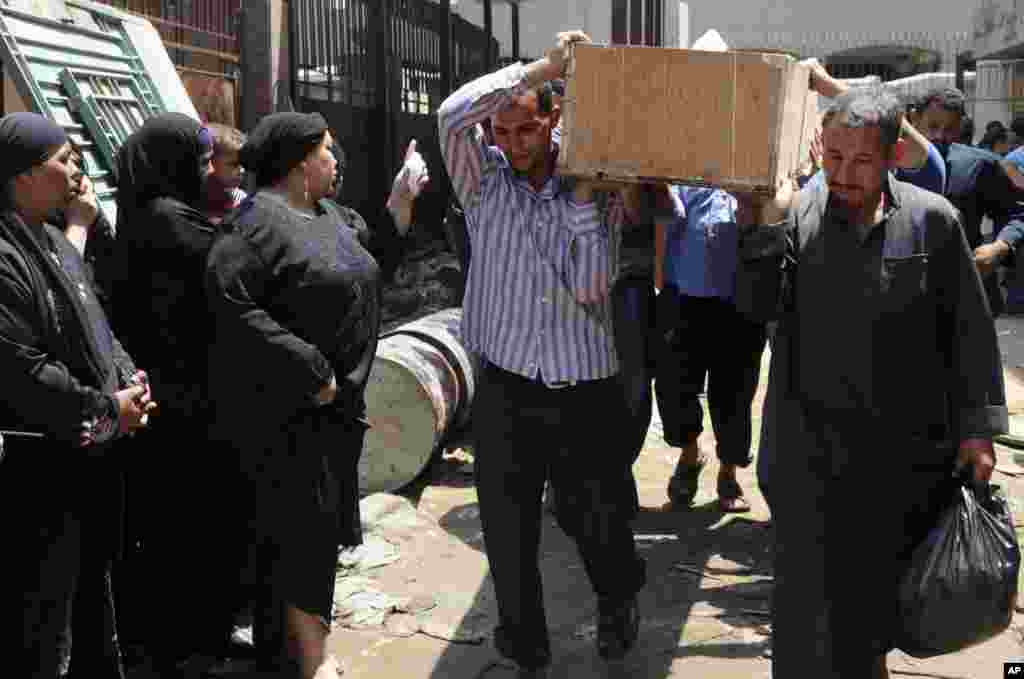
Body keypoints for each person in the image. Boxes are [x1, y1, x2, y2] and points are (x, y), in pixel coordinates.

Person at [737, 86, 1007, 679]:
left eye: (860, 160)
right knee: (803, 621)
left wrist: (979, 431)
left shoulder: (933, 223)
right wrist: (763, 221)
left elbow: (969, 333)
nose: (843, 174)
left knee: (868, 622)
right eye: (833, 158)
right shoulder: (800, 218)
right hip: (807, 460)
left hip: (901, 460)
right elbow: (756, 306)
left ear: (890, 157)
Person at [438, 31, 645, 677]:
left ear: (553, 119)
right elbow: (451, 115)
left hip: (581, 389)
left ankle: (618, 596)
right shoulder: (483, 179)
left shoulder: (599, 180)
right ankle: (525, 643)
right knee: (507, 526)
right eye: (500, 130)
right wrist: (548, 65)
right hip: (504, 384)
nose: (510, 143)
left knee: (592, 518)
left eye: (524, 129)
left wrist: (582, 198)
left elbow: (590, 288)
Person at [206, 111, 381, 679]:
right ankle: (313, 661)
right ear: (303, 160)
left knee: (318, 535)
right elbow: (231, 303)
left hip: (337, 414)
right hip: (291, 415)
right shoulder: (254, 224)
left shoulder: (328, 214)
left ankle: (289, 654)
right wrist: (309, 368)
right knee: (299, 538)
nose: (336, 160)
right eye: (328, 150)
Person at [0, 112, 154, 679]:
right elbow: (21, 369)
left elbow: (95, 323)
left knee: (94, 597)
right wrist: (105, 408)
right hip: (34, 472)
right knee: (41, 616)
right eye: (63, 160)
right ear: (21, 176)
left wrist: (129, 380)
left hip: (89, 458)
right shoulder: (4, 255)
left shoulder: (52, 241)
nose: (76, 170)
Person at [112, 113, 237, 668]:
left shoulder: (146, 214)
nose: (208, 168)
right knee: (191, 523)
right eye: (200, 158)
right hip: (184, 400)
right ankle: (190, 640)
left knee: (169, 523)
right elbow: (232, 265)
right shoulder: (171, 222)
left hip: (164, 394)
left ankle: (175, 636)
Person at [909, 87, 1024, 316]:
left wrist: (998, 247)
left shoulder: (980, 165)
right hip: (904, 297)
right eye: (932, 126)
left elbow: (1016, 214)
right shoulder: (885, 165)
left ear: (961, 125)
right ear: (914, 119)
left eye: (949, 129)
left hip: (967, 296)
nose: (940, 136)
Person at [203, 122, 247, 224]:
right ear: (210, 162)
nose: (242, 170)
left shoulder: (240, 199)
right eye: (234, 164)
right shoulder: (195, 200)